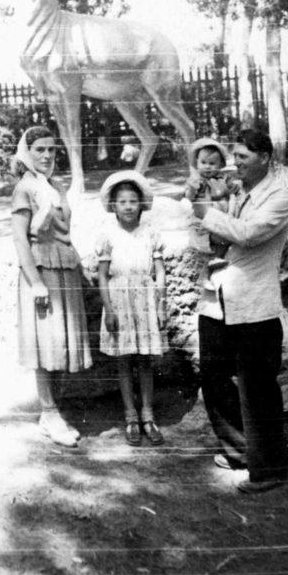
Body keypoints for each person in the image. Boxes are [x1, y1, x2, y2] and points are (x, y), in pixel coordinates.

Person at [187, 129, 288, 494]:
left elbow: (248, 234)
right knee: (213, 376)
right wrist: (208, 213)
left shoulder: (279, 197)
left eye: (243, 157)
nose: (236, 164)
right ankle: (240, 451)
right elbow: (216, 238)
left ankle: (270, 469)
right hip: (217, 298)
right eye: (235, 157)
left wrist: (206, 213)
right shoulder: (237, 192)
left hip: (254, 305)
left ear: (265, 157)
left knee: (257, 387)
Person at [11, 125, 92, 448]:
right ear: (27, 153)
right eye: (39, 150)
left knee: (62, 341)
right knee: (45, 342)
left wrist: (80, 266)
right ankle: (48, 412)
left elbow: (64, 233)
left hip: (65, 269)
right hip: (41, 272)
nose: (46, 156)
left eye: (51, 150)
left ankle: (54, 410)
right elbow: (20, 239)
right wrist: (35, 283)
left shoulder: (56, 186)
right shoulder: (25, 188)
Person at [95, 170, 168, 447]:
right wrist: (109, 309)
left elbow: (160, 272)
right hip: (119, 302)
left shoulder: (150, 233)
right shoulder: (107, 235)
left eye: (133, 201)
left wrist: (160, 305)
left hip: (145, 301)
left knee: (145, 361)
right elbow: (103, 275)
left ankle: (148, 416)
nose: (127, 207)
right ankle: (131, 417)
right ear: (113, 206)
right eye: (122, 202)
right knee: (124, 360)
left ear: (141, 204)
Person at [183, 138, 235, 286]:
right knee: (217, 240)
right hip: (202, 222)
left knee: (225, 241)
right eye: (203, 162)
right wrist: (192, 189)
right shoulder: (196, 180)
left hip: (222, 218)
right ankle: (205, 273)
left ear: (221, 164)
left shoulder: (224, 179)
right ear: (197, 163)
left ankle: (216, 265)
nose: (207, 167)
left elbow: (232, 194)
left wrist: (231, 209)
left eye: (212, 163)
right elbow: (188, 197)